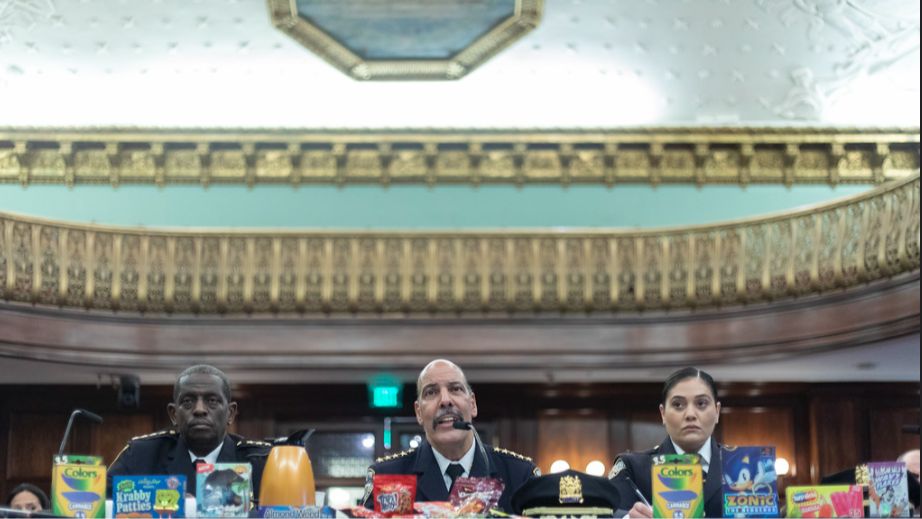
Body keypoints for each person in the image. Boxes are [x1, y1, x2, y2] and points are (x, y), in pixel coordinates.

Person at [363, 359, 540, 513]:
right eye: (431, 392)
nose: (445, 400)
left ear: (472, 404)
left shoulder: (519, 476)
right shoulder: (388, 477)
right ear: (418, 412)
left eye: (455, 389)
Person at [108, 364, 271, 501]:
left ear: (230, 413)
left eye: (212, 401)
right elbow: (98, 507)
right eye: (188, 402)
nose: (199, 410)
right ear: (173, 414)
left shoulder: (260, 463)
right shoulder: (140, 456)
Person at [608, 367, 724, 518]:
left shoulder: (740, 464)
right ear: (663, 413)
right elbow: (604, 512)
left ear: (717, 411)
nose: (690, 414)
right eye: (678, 405)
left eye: (701, 403)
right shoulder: (633, 468)